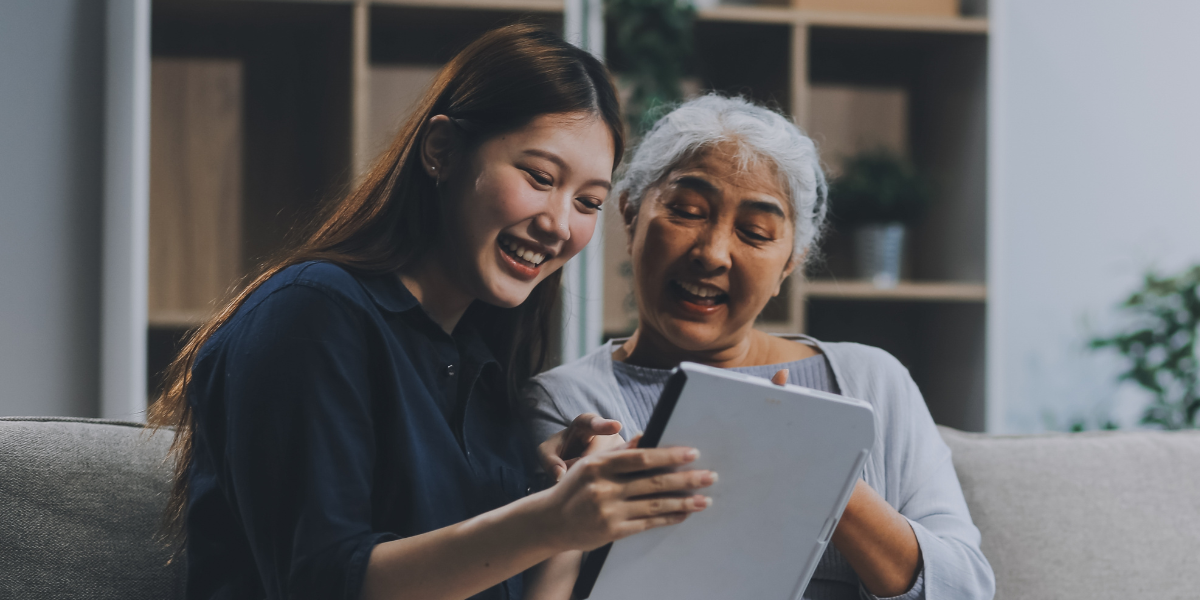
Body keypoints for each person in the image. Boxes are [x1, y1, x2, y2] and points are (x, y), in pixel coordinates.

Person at [149, 25, 717, 600]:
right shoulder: (310, 312)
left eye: (588, 202)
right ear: (441, 151)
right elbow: (320, 584)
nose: (560, 225)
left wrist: (561, 516)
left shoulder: (479, 365)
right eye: (539, 177)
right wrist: (548, 521)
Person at [525, 95, 996, 600]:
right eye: (686, 212)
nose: (712, 253)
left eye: (755, 232)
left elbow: (965, 587)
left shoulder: (872, 381)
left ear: (790, 263)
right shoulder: (566, 407)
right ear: (631, 215)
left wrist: (821, 470)